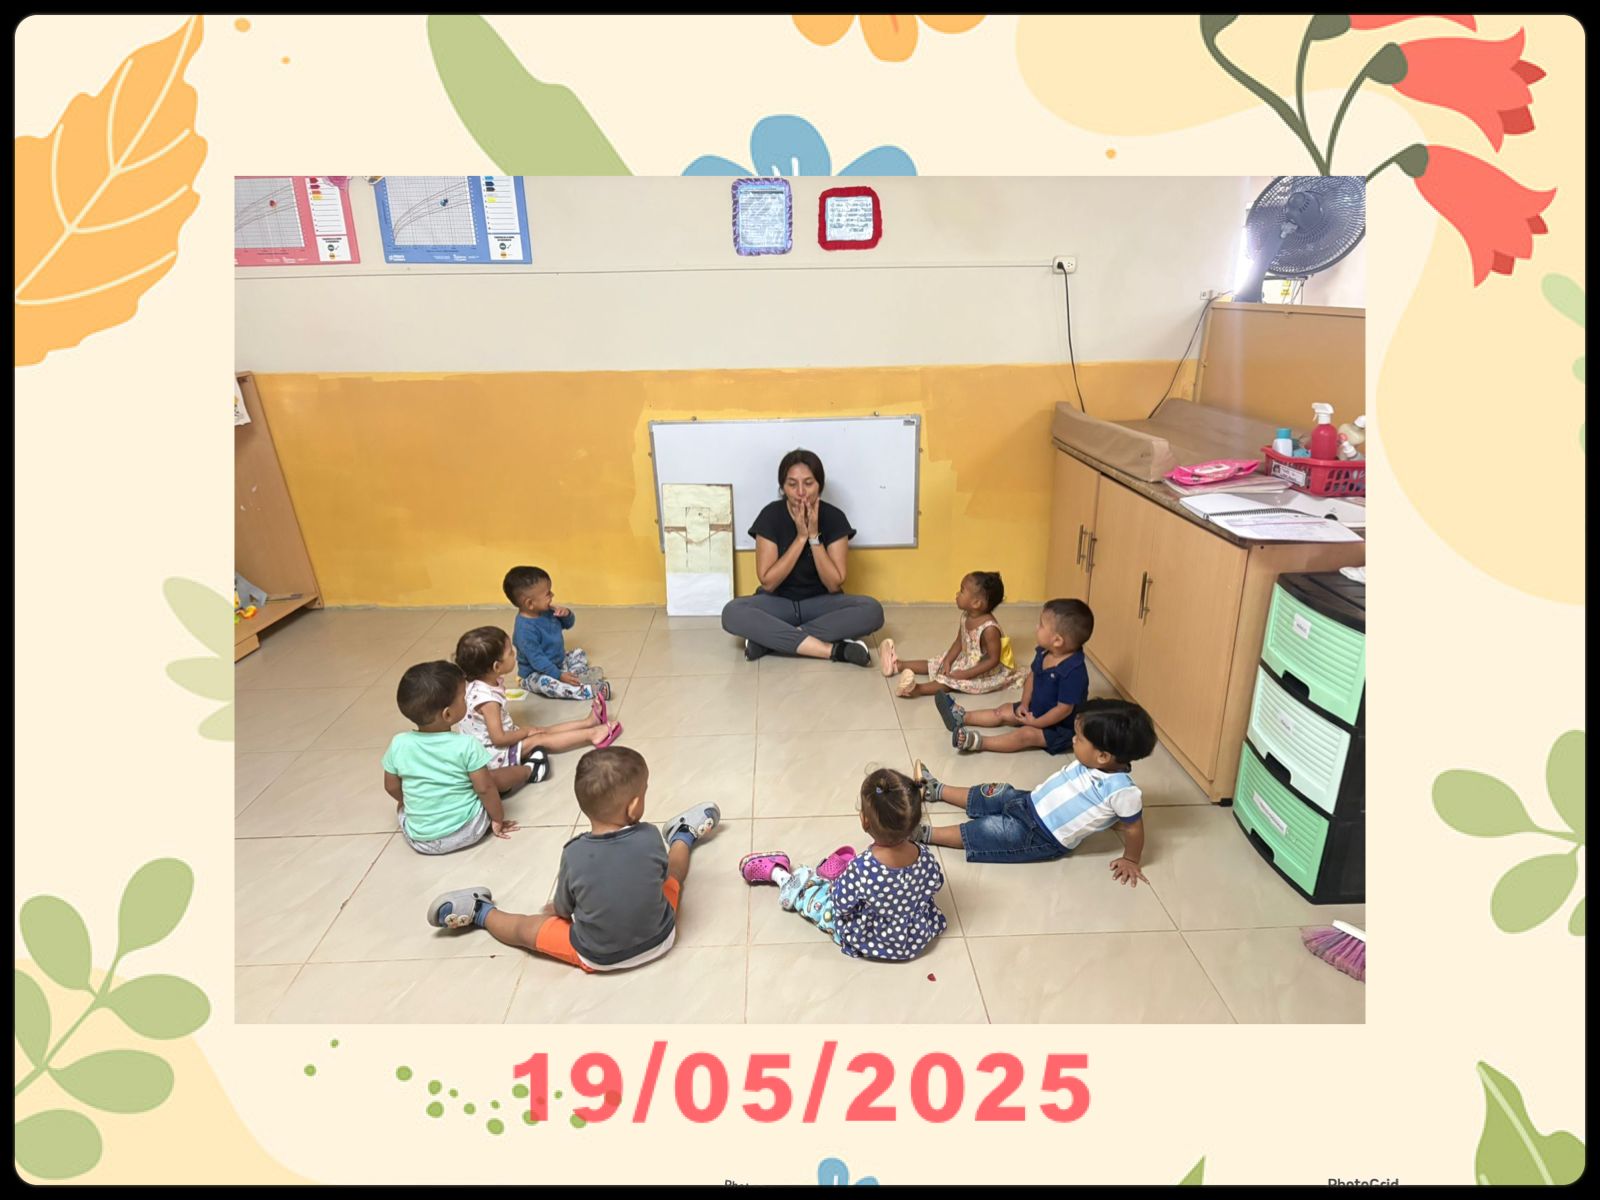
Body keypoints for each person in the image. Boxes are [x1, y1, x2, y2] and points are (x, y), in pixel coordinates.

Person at [425, 746, 721, 972]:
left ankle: (480, 912)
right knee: (673, 876)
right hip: (661, 939)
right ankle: (683, 835)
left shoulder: (574, 852)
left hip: (597, 956)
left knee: (524, 929)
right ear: (634, 807)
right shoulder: (648, 836)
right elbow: (659, 876)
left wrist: (556, 909)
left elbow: (565, 909)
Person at [912, 698, 1157, 881]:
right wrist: (1112, 819)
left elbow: (1134, 827)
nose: (1073, 740)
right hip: (1029, 801)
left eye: (1080, 739)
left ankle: (921, 834)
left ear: (1103, 756)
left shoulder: (1123, 791)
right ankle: (936, 790)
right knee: (994, 793)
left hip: (1041, 836)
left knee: (986, 831)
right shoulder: (1094, 761)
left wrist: (1130, 858)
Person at [738, 767, 947, 961]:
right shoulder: (925, 856)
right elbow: (936, 883)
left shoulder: (862, 868)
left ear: (864, 821)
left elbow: (840, 903)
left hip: (874, 939)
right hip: (913, 936)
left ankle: (781, 876)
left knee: (820, 900)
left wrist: (839, 884)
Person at [719, 448, 884, 665]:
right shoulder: (770, 516)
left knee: (872, 611)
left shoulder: (834, 517)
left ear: (819, 486)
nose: (800, 492)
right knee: (732, 612)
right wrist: (800, 537)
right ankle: (833, 650)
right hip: (777, 603)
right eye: (792, 484)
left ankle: (770, 640)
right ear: (782, 488)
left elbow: (834, 583)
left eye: (808, 483)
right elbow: (768, 582)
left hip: (822, 605)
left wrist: (814, 537)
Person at [381, 661, 521, 855]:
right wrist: (497, 819)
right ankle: (529, 770)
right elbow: (485, 788)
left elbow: (391, 787)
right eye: (463, 698)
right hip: (470, 830)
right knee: (490, 779)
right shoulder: (467, 745)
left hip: (422, 841)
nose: (467, 700)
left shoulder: (398, 743)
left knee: (402, 806)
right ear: (447, 714)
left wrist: (411, 802)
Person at [452, 627, 622, 772]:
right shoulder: (487, 700)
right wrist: (525, 732)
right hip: (492, 757)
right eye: (510, 652)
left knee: (540, 730)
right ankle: (593, 734)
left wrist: (525, 731)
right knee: (539, 738)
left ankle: (588, 722)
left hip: (494, 744)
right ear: (496, 666)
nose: (515, 654)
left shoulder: (481, 682)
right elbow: (499, 739)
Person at [938, 598, 1093, 755]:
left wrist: (1037, 723)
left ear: (1057, 640)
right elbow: (1032, 677)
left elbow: (1063, 710)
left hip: (1059, 727)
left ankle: (977, 742)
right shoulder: (1045, 651)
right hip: (1036, 708)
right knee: (1002, 711)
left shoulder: (1073, 671)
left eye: (1041, 625)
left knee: (1025, 735)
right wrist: (1024, 704)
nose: (1036, 627)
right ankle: (962, 717)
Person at [881, 570, 1025, 699]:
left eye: (962, 591)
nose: (957, 594)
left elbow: (993, 660)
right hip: (967, 659)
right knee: (937, 663)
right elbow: (959, 642)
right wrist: (948, 660)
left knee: (950, 681)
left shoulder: (989, 629)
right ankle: (897, 665)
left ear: (976, 603)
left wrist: (966, 674)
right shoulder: (966, 616)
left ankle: (916, 689)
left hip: (983, 671)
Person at [503, 565, 612, 702]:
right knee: (547, 684)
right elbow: (537, 660)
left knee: (578, 653)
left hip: (558, 661)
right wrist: (558, 675)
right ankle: (588, 691)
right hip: (535, 673)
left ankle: (575, 676)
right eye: (548, 594)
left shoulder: (547, 611)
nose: (552, 595)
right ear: (530, 603)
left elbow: (568, 624)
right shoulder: (524, 631)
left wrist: (566, 615)